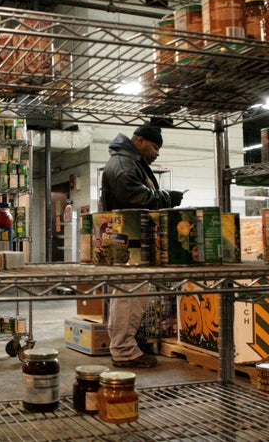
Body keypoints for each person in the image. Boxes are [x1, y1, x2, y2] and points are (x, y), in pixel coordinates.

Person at [99, 122, 184, 368]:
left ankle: (126, 345)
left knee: (129, 293)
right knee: (129, 293)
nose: (157, 152)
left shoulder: (129, 161)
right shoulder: (124, 164)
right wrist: (168, 197)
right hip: (128, 237)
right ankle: (124, 351)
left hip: (130, 236)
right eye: (154, 146)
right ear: (139, 140)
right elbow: (134, 197)